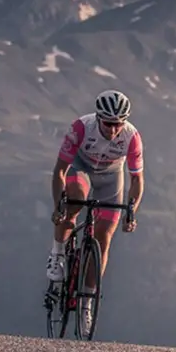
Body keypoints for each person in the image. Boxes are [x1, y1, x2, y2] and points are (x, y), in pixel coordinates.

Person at [46, 91, 144, 325]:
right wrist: (58, 205)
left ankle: (86, 305)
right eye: (108, 124)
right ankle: (57, 254)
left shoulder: (131, 136)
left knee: (104, 238)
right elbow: (60, 171)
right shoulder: (81, 128)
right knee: (74, 203)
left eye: (118, 124)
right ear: (98, 118)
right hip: (81, 168)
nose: (113, 130)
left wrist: (131, 212)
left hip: (111, 176)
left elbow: (137, 179)